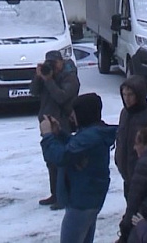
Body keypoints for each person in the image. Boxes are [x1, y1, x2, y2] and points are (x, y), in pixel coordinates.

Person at [40, 93, 117, 243]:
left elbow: (61, 156)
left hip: (82, 201)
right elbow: (75, 146)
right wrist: (60, 133)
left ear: (83, 113)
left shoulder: (90, 136)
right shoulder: (94, 132)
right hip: (90, 198)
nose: (71, 116)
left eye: (74, 111)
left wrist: (48, 135)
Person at [32, 50, 81, 210]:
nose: (52, 66)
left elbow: (61, 96)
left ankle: (63, 196)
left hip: (63, 124)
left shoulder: (70, 77)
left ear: (61, 62)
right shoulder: (47, 76)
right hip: (46, 122)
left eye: (54, 62)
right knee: (51, 161)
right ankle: (55, 194)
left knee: (62, 161)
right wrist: (39, 77)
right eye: (49, 62)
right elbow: (33, 91)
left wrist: (49, 80)